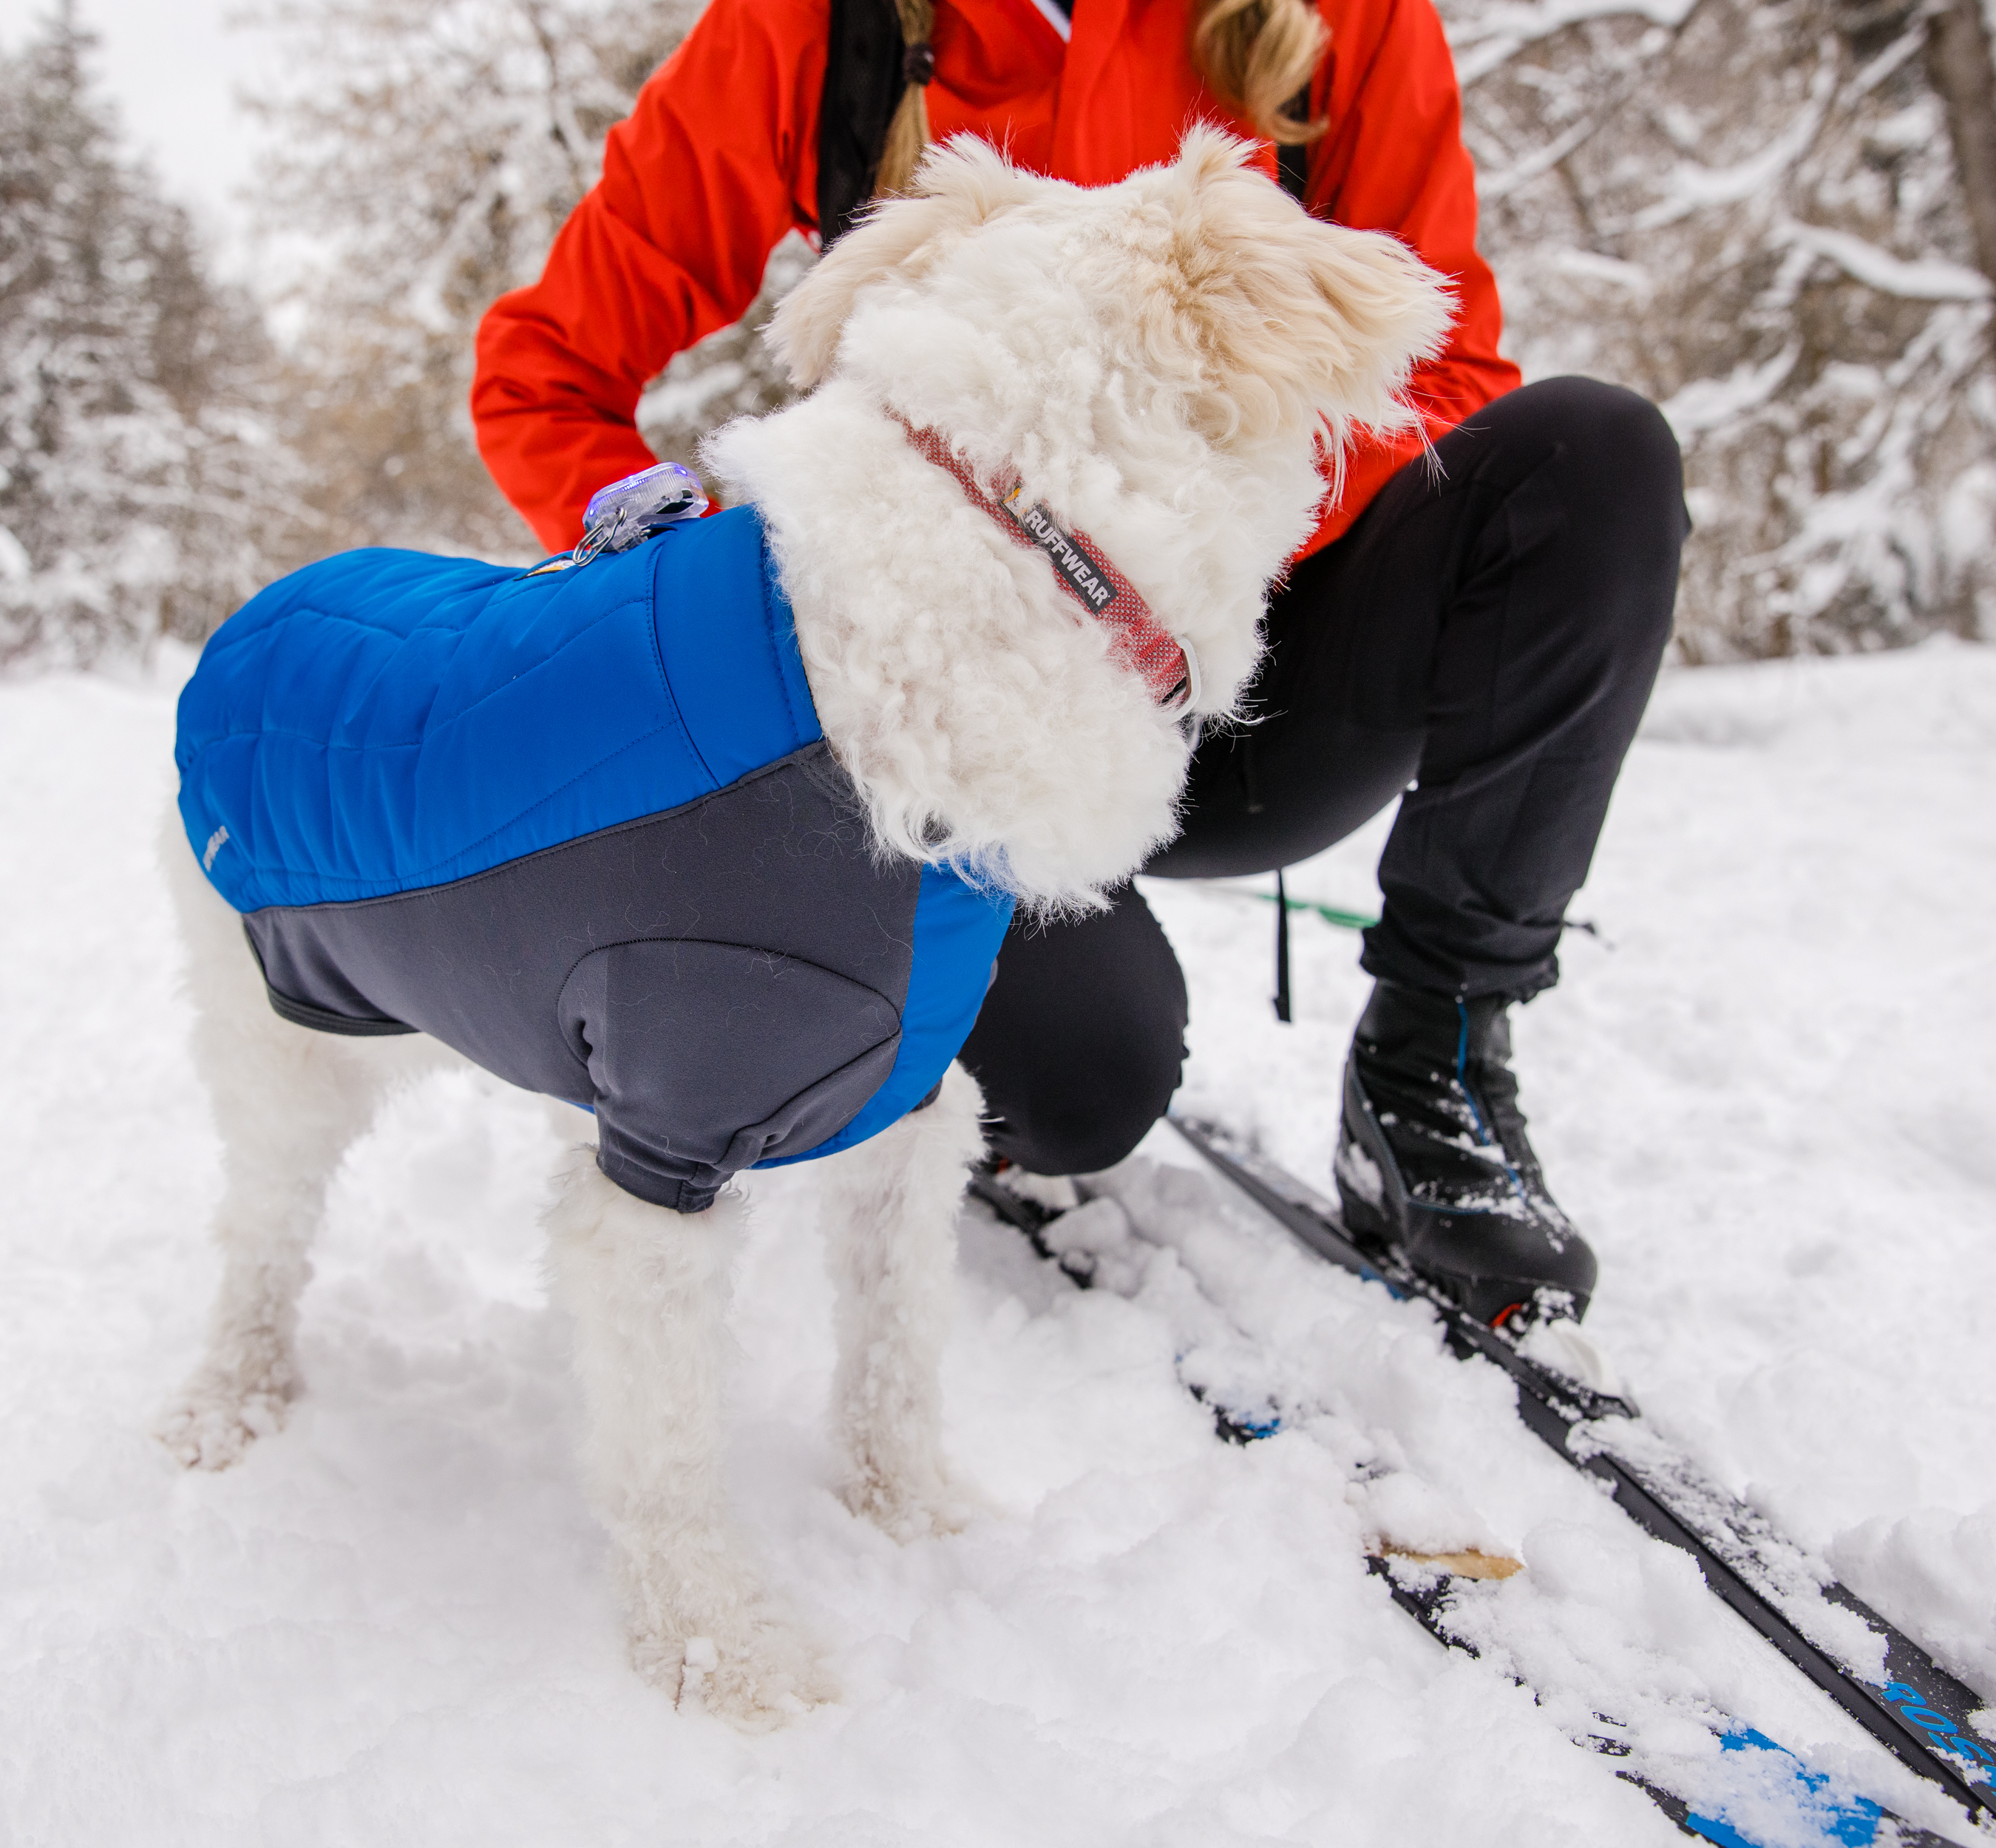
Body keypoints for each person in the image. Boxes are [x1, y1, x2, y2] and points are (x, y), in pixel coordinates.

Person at [472, 0, 1686, 1326]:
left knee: (1591, 459)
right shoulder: (814, 29)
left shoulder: (1345, 19)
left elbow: (1442, 369)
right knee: (1083, 1091)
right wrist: (748, 593)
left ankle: (1433, 1059)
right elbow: (543, 374)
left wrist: (1172, 530)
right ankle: (953, 1055)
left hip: (1257, 699)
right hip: (961, 723)